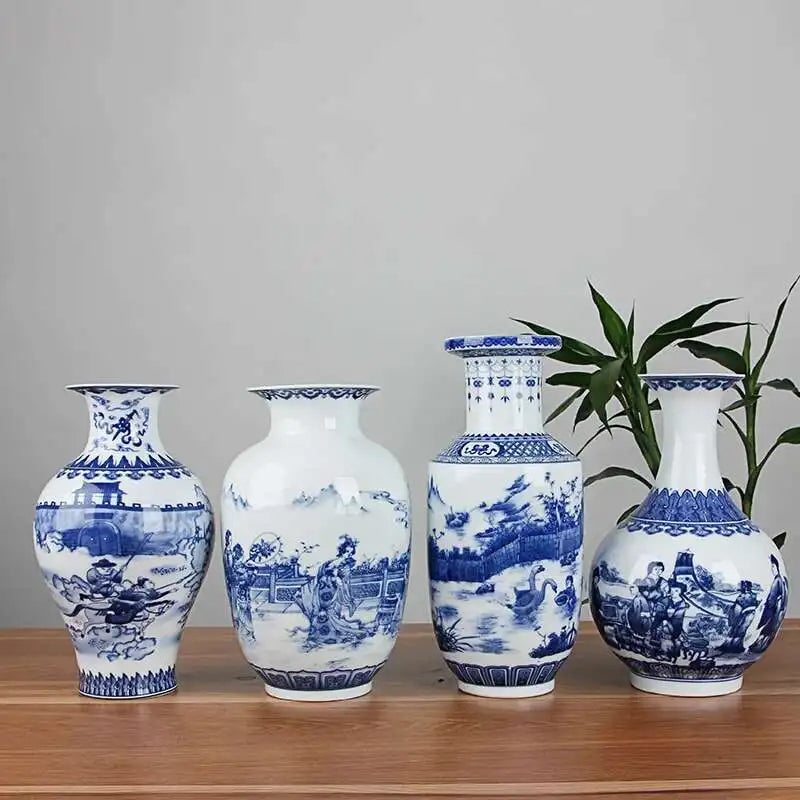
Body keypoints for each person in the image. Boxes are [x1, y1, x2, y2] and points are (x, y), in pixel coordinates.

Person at [750, 555, 788, 653]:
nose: (772, 569)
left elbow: (774, 597)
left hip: (773, 609)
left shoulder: (778, 581)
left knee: (766, 627)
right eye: (772, 567)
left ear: (776, 567)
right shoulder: (780, 580)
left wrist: (767, 605)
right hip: (775, 608)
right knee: (767, 627)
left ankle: (758, 645)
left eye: (773, 567)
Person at [723, 580, 758, 653]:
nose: (745, 588)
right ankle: (729, 645)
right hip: (742, 614)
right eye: (744, 586)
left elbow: (749, 604)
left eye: (746, 586)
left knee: (741, 630)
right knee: (735, 629)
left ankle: (735, 646)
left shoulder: (750, 596)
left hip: (747, 614)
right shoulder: (743, 596)